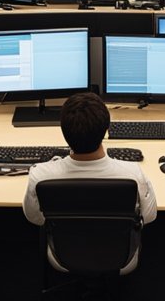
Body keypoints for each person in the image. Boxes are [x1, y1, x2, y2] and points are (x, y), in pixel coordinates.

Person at [22, 91, 157, 273]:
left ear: (63, 131)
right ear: (107, 129)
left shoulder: (41, 175)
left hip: (63, 257)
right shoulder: (132, 174)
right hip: (121, 259)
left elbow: (35, 218)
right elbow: (149, 217)